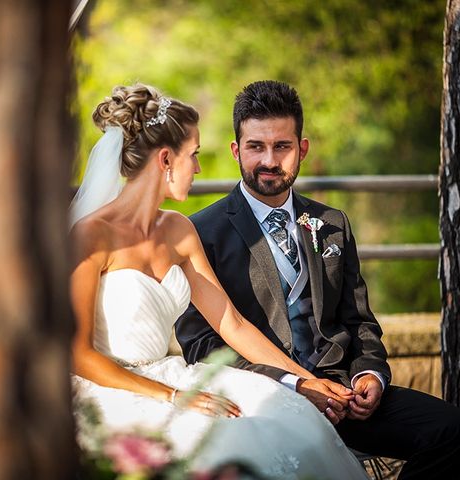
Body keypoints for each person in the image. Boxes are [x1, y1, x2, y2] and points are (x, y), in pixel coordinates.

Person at [70, 83, 369, 479]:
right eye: (192, 156)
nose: (197, 168)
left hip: (170, 372)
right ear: (165, 160)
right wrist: (176, 398)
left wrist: (306, 383)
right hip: (112, 388)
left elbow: (231, 322)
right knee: (215, 447)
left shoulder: (178, 229)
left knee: (286, 415)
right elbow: (76, 353)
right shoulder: (92, 234)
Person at [175, 80, 460, 479]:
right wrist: (294, 384)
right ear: (237, 151)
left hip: (345, 394)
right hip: (265, 397)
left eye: (282, 147)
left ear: (302, 150)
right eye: (256, 147)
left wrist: (369, 375)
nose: (269, 161)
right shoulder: (201, 233)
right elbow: (201, 345)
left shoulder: (331, 223)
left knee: (450, 429)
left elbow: (360, 321)